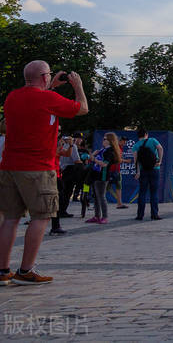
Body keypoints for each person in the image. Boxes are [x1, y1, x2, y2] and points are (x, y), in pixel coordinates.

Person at [0, 62, 88, 285]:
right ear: (43, 76)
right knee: (41, 217)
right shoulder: (48, 99)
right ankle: (26, 270)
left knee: (10, 219)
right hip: (38, 167)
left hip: (10, 166)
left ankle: (2, 271)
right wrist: (78, 86)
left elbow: (34, 102)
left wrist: (50, 87)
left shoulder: (12, 97)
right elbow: (82, 108)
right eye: (48, 74)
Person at [85, 133, 121, 225]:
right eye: (103, 139)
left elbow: (104, 164)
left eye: (105, 139)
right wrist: (93, 155)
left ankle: (104, 217)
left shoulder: (110, 151)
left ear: (110, 141)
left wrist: (94, 159)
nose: (103, 141)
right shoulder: (103, 150)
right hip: (96, 174)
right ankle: (97, 216)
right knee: (96, 197)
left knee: (101, 196)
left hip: (103, 176)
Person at [132, 128, 163, 221]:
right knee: (154, 192)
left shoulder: (136, 145)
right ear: (146, 134)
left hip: (143, 170)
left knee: (142, 192)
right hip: (154, 169)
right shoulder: (152, 140)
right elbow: (160, 148)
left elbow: (135, 160)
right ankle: (154, 214)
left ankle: (140, 215)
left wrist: (137, 171)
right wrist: (160, 161)